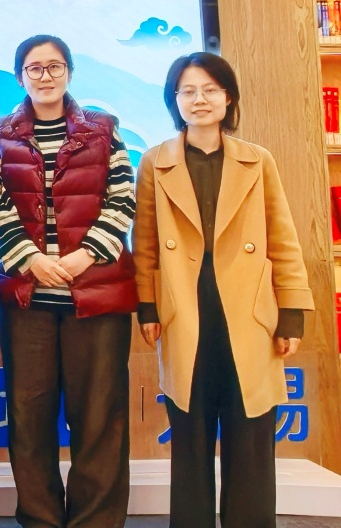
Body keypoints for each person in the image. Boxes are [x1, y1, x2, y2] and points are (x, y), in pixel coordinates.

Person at [133, 52, 312, 528]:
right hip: (184, 311)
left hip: (249, 313)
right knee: (189, 439)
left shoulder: (258, 160)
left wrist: (292, 312)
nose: (200, 99)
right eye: (188, 91)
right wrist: (147, 307)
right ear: (175, 100)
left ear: (228, 97)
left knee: (250, 437)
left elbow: (283, 237)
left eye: (210, 90)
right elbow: (144, 243)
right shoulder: (155, 162)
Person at [0, 35, 137, 528]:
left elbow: (122, 198)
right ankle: (41, 519)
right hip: (28, 299)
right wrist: (30, 259)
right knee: (29, 419)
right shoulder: (1, 135)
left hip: (95, 295)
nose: (45, 76)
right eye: (34, 68)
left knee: (99, 418)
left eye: (54, 66)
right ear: (20, 77)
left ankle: (96, 521)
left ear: (69, 72)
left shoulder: (103, 130)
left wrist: (81, 259)